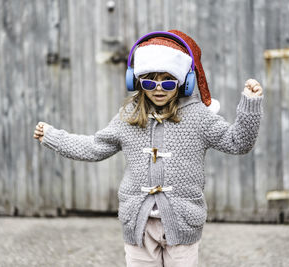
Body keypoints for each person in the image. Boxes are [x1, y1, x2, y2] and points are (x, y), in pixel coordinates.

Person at [33, 30, 263, 267]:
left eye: (168, 80)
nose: (159, 88)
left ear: (184, 81)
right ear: (137, 81)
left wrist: (250, 105)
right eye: (150, 81)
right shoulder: (128, 118)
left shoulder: (198, 118)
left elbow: (239, 142)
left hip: (183, 225)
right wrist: (53, 137)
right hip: (139, 226)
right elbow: (94, 147)